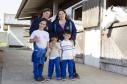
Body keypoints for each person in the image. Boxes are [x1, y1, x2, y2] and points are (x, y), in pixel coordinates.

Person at [52, 9, 79, 78]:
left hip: (69, 42)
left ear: (65, 14)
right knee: (61, 57)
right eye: (59, 14)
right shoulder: (55, 23)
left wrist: (72, 39)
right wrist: (55, 41)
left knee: (70, 58)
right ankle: (61, 73)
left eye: (62, 13)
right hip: (59, 43)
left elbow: (74, 31)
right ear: (58, 15)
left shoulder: (70, 22)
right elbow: (52, 32)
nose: (61, 15)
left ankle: (73, 73)